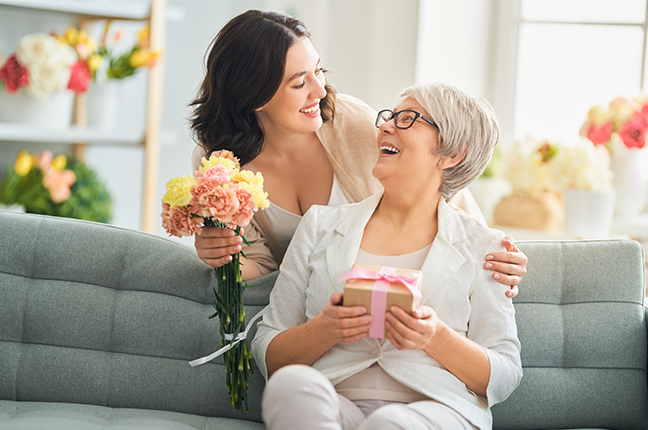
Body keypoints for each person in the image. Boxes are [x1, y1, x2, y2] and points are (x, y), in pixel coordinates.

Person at [189, 9, 527, 293]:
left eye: (317, 70)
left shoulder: (349, 122)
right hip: (318, 303)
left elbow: (439, 184)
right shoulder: (219, 165)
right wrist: (222, 254)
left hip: (396, 288)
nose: (319, 90)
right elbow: (262, 266)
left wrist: (492, 254)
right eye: (299, 83)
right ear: (254, 96)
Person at [251, 81, 522, 430]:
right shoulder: (320, 225)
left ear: (452, 154)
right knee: (290, 385)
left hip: (435, 408)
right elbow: (268, 351)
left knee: (389, 422)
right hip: (334, 404)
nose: (385, 126)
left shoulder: (486, 246)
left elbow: (504, 375)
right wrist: (326, 328)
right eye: (389, 116)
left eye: (408, 119)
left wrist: (435, 337)